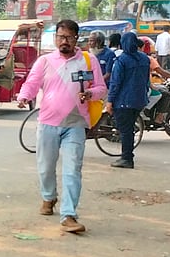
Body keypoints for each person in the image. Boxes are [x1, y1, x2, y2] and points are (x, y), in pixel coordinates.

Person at [16, 20, 107, 234]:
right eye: (60, 37)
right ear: (55, 38)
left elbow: (101, 88)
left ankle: (69, 214)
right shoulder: (45, 61)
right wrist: (24, 97)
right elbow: (32, 83)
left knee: (72, 169)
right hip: (48, 123)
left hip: (76, 124)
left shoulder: (88, 60)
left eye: (68, 37)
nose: (64, 41)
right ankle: (49, 197)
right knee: (46, 167)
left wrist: (90, 94)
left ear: (76, 38)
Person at [105, 32, 150, 169]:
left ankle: (126, 158)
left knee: (125, 130)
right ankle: (127, 156)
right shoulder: (144, 58)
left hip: (124, 101)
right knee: (129, 129)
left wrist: (110, 101)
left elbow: (115, 82)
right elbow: (146, 79)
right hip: (139, 100)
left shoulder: (122, 60)